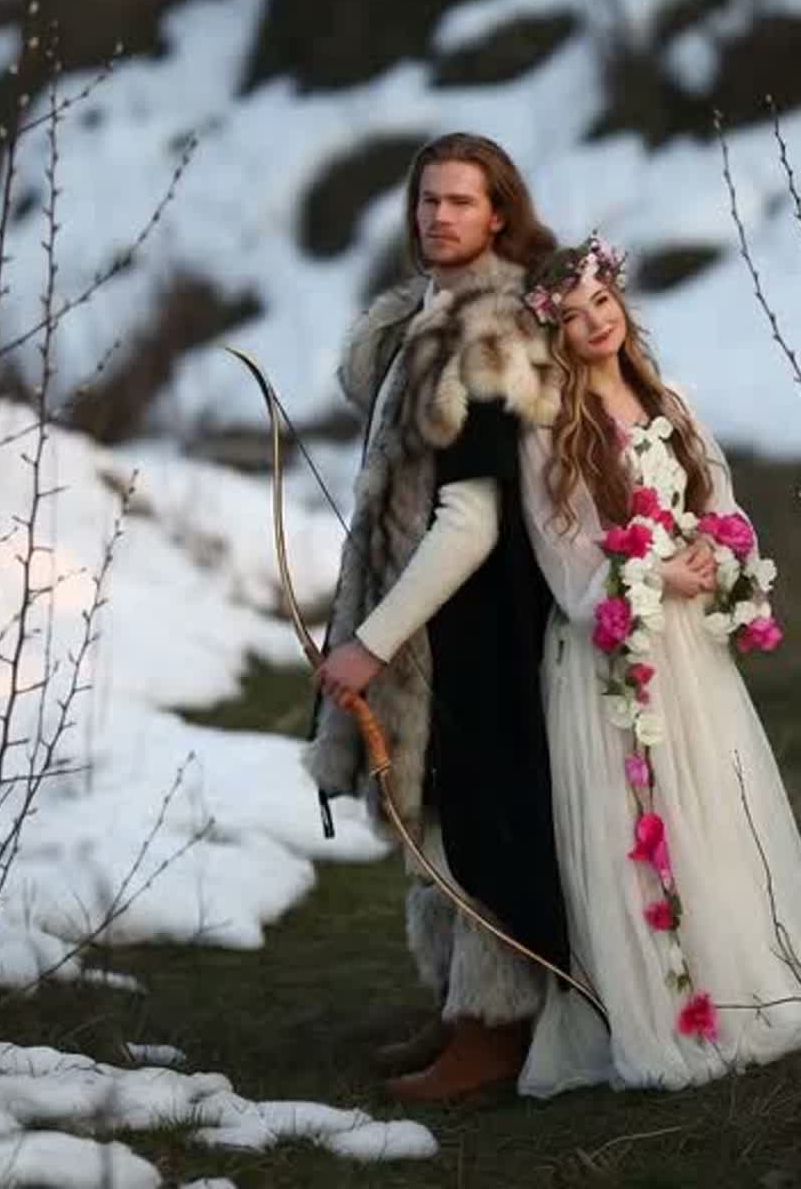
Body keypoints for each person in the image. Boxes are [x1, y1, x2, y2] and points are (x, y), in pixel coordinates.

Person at [513, 234, 801, 1096]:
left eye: (602, 302)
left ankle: (746, 978)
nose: (595, 323)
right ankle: (667, 1003)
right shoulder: (548, 430)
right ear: (552, 334)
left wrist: (717, 558)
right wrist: (649, 575)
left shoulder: (672, 400)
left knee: (712, 805)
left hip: (690, 649)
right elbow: (562, 553)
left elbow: (722, 504)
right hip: (615, 654)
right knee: (640, 822)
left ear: (620, 300)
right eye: (571, 317)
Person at [302, 133, 571, 1101]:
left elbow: (471, 520)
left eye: (461, 200)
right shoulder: (420, 317)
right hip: (415, 610)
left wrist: (371, 644)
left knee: (475, 817)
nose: (439, 216)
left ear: (498, 213)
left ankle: (494, 1029)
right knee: (431, 813)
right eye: (427, 199)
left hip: (474, 620)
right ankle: (459, 1006)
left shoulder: (493, 330)